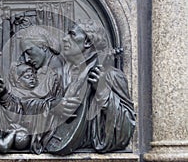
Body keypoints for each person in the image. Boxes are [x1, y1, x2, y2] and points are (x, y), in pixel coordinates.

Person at [55, 20, 136, 153]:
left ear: (87, 42)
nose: (64, 39)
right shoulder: (58, 74)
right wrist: (55, 107)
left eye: (72, 34)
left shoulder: (112, 76)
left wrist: (103, 92)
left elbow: (126, 127)